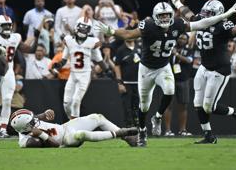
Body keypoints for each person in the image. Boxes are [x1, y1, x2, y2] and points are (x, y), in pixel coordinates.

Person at [97, 0, 236, 146]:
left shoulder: (177, 24)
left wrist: (223, 15)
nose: (165, 18)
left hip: (163, 66)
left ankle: (158, 117)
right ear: (155, 17)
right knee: (144, 105)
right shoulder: (149, 25)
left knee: (170, 90)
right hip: (146, 68)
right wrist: (111, 31)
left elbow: (201, 23)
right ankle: (142, 132)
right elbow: (128, 34)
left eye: (167, 15)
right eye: (162, 16)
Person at [172, 0, 236, 144]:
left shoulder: (223, 25)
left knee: (208, 107)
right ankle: (208, 136)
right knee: (198, 103)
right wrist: (177, 3)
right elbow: (189, 14)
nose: (205, 15)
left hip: (219, 69)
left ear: (218, 13)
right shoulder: (202, 19)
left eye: (209, 13)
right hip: (204, 66)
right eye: (205, 12)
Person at [0, 15, 39, 137]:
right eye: (4, 25)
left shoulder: (15, 37)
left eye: (9, 25)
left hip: (8, 71)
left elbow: (30, 50)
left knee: (7, 100)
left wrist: (36, 36)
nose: (8, 28)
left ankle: (2, 129)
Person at [52, 18, 109, 119]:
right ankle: (72, 121)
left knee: (76, 101)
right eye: (81, 28)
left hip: (85, 74)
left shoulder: (92, 42)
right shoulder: (69, 40)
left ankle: (75, 125)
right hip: (73, 75)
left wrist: (108, 71)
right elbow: (64, 60)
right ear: (77, 27)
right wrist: (58, 65)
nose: (83, 31)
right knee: (66, 102)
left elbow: (99, 60)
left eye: (85, 29)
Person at [10, 109, 138, 148]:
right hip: (65, 140)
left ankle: (127, 137)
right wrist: (42, 135)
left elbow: (34, 117)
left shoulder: (26, 124)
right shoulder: (28, 142)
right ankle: (119, 133)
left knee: (97, 117)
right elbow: (55, 145)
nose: (35, 120)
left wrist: (44, 114)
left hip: (65, 127)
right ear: (26, 127)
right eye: (31, 121)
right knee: (81, 134)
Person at [163, 33, 193, 136]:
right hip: (169, 79)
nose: (182, 40)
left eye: (184, 39)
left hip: (183, 79)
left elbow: (189, 60)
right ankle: (167, 131)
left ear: (187, 41)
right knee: (168, 105)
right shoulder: (169, 49)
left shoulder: (189, 50)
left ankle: (182, 130)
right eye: (180, 38)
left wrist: (176, 54)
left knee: (183, 105)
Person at [114, 35, 140, 127]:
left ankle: (139, 127)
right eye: (128, 34)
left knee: (138, 106)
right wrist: (119, 83)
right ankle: (129, 127)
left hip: (139, 83)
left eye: (132, 34)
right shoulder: (121, 50)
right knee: (127, 107)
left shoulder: (139, 47)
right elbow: (117, 66)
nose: (130, 36)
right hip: (126, 83)